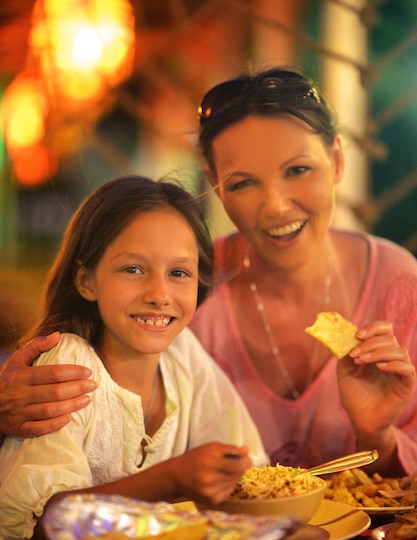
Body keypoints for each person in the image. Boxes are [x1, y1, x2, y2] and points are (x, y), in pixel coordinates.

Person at [1, 66, 417, 476]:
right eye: (243, 183)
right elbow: (92, 416)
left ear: (338, 160)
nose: (275, 205)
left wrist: (377, 435)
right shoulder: (180, 290)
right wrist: (14, 404)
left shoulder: (397, 284)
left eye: (298, 170)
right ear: (214, 184)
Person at [0, 175, 267, 540]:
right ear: (86, 280)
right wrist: (171, 480)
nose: (159, 294)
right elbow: (43, 525)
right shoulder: (69, 364)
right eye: (132, 269)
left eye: (179, 273)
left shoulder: (183, 354)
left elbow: (250, 470)